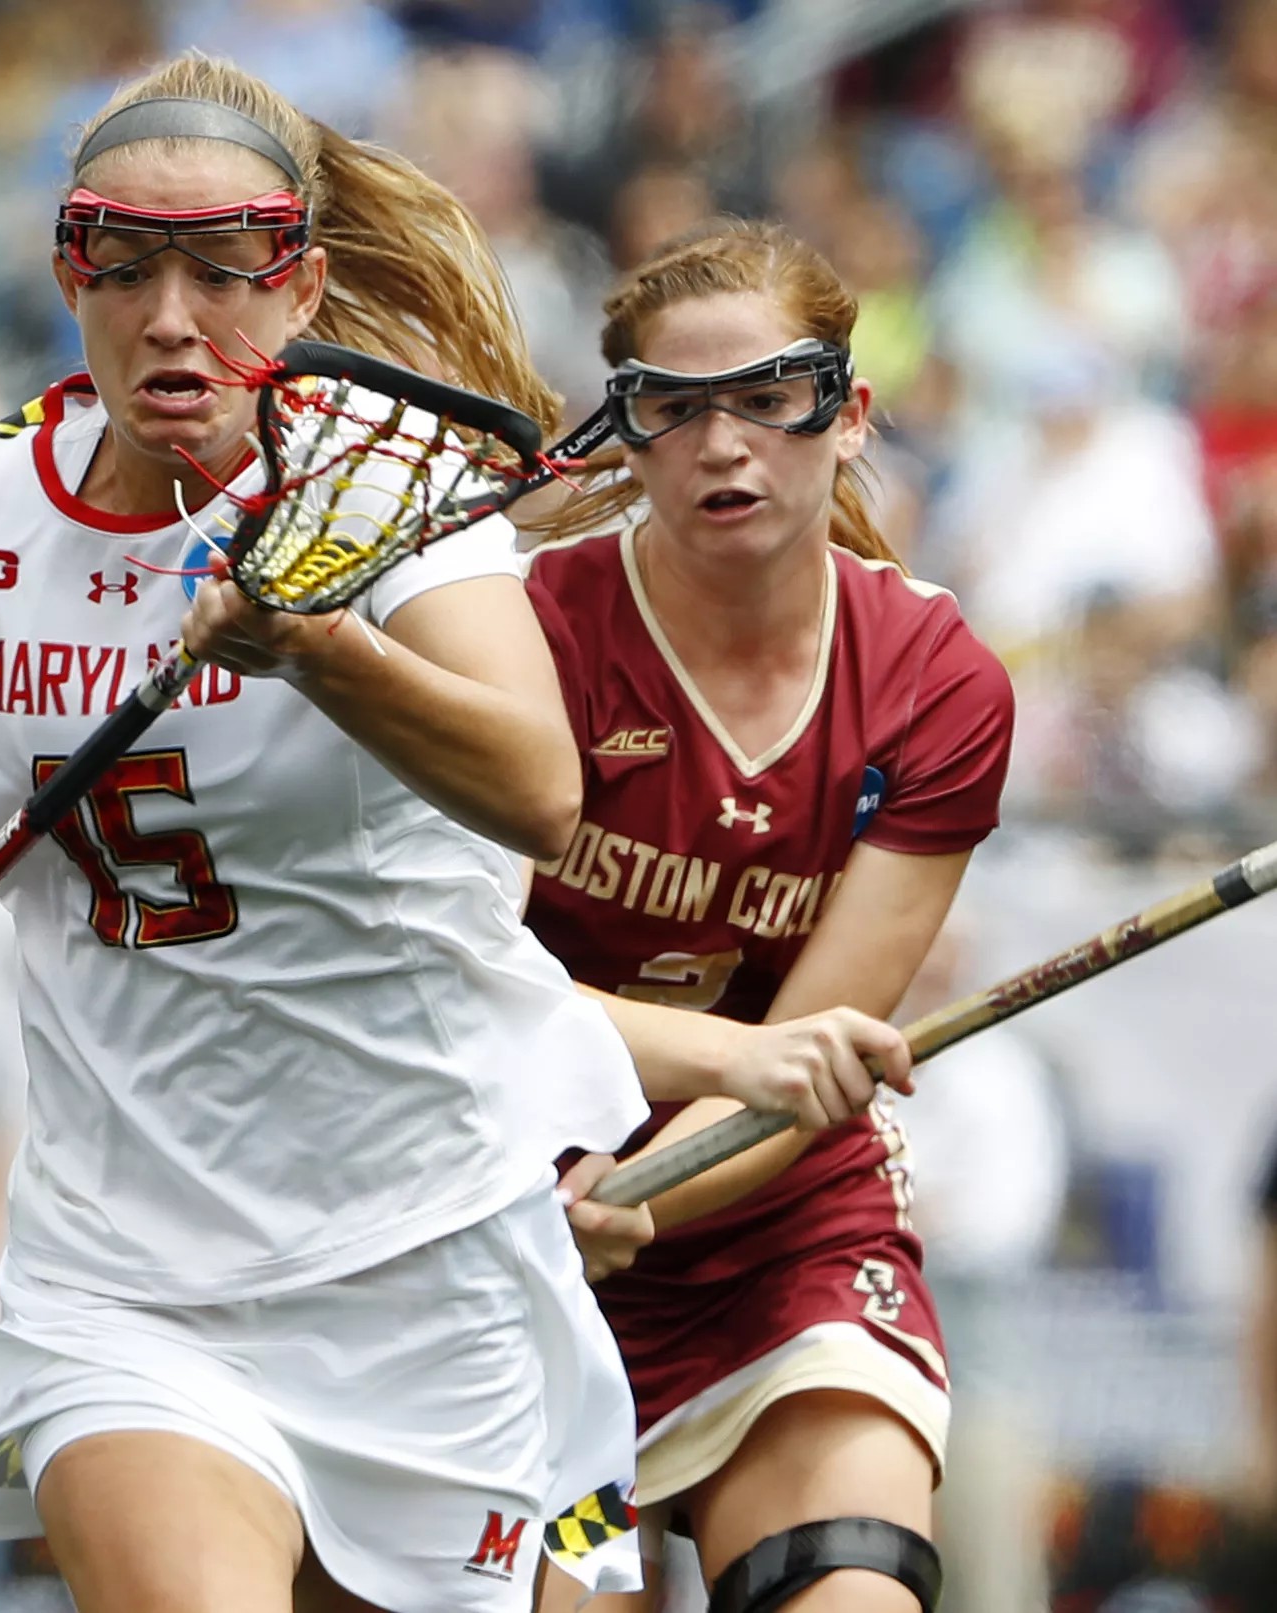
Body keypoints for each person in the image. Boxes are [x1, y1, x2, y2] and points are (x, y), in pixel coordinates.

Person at [0, 57, 907, 1613]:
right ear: (64, 271)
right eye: (126, 261)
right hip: (127, 1282)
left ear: (295, 284)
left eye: (224, 266)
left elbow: (539, 788)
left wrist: (320, 649)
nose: (173, 316)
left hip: (430, 1256)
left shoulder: (392, 492)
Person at [519, 219, 1016, 1613]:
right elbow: (466, 988)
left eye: (770, 396)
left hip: (779, 1223)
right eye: (671, 408)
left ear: (848, 415)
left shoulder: (937, 682)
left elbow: (801, 1059)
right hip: (515, 1225)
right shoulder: (525, 635)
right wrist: (575, 1194)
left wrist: (648, 1184)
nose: (723, 445)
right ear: (625, 432)